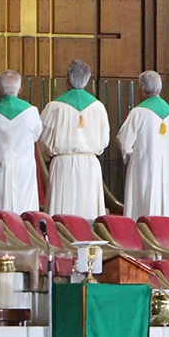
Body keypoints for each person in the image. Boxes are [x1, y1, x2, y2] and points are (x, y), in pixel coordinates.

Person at [39, 60, 110, 221]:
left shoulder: (55, 106)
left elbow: (42, 137)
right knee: (88, 213)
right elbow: (104, 140)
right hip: (90, 164)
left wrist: (47, 154)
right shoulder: (98, 107)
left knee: (62, 215)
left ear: (67, 79)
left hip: (63, 165)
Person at [116, 70, 169, 221]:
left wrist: (129, 156)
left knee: (142, 208)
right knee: (164, 209)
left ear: (141, 89)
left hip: (143, 168)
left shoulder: (138, 112)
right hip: (167, 170)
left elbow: (124, 140)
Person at [0, 69, 43, 214]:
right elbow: (36, 135)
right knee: (24, 211)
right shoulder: (31, 112)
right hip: (23, 172)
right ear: (20, 89)